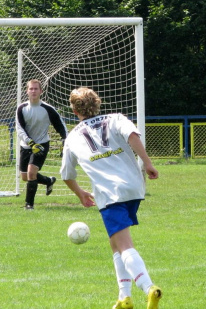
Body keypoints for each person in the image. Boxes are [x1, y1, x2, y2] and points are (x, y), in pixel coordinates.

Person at [60, 87, 162, 309]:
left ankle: (149, 288)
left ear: (75, 110)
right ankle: (124, 297)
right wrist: (147, 162)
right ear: (97, 103)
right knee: (115, 242)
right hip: (134, 187)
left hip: (109, 193)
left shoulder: (73, 137)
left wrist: (80, 193)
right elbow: (132, 136)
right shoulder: (116, 118)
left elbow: (67, 175)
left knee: (124, 245)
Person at [16, 79, 68, 210]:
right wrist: (30, 142)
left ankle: (29, 205)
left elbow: (60, 126)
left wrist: (65, 140)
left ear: (41, 91)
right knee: (24, 177)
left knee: (31, 173)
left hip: (42, 144)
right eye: (31, 89)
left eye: (36, 89)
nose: (33, 91)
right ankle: (48, 181)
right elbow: (19, 129)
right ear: (27, 91)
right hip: (26, 145)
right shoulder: (21, 108)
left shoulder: (48, 109)